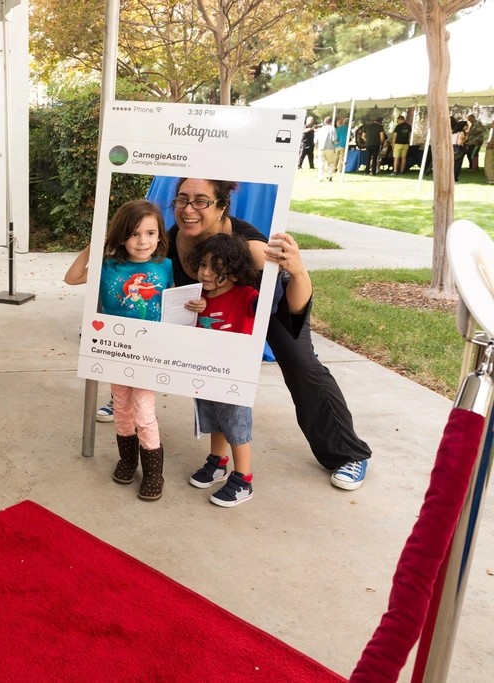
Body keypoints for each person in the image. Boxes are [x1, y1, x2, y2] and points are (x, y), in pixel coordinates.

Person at [165, 178, 371, 490]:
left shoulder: (251, 247)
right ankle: (128, 401)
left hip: (263, 304)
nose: (188, 209)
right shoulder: (170, 241)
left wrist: (299, 270)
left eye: (201, 201)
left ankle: (347, 453)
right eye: (182, 199)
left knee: (300, 362)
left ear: (221, 208)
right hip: (214, 313)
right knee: (210, 384)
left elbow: (293, 303)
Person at [181, 233, 312, 507]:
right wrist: (196, 307)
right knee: (215, 419)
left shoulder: (248, 297)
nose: (206, 273)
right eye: (203, 265)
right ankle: (218, 463)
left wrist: (274, 266)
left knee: (235, 426)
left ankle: (243, 480)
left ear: (235, 273)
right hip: (206, 374)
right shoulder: (198, 296)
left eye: (217, 269)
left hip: (235, 378)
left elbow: (272, 299)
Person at [64, 199, 173, 500]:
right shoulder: (109, 266)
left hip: (150, 353)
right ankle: (127, 460)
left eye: (151, 233)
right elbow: (71, 278)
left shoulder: (165, 267)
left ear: (160, 236)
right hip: (116, 351)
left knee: (144, 413)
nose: (143, 241)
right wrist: (92, 248)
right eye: (135, 234)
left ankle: (154, 473)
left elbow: (175, 305)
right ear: (122, 235)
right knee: (122, 409)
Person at [315, 116, 338, 182]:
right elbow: (334, 139)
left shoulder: (320, 129)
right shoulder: (332, 128)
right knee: (331, 163)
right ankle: (329, 176)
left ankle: (320, 177)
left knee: (321, 163)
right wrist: (336, 142)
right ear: (331, 122)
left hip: (321, 148)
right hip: (329, 148)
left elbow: (316, 140)